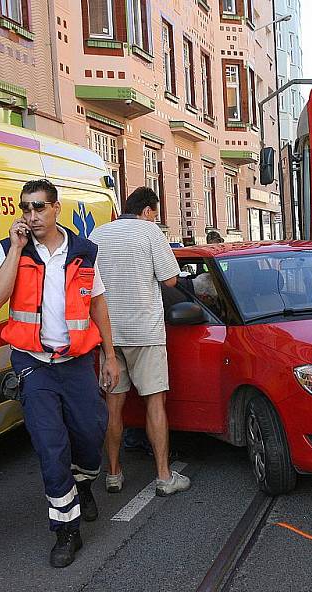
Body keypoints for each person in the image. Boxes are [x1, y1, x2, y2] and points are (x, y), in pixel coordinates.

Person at [0, 179, 120, 568]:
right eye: (25, 208)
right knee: (50, 446)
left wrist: (110, 356)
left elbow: (98, 304)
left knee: (90, 432)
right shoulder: (13, 251)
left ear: (56, 208)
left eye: (39, 207)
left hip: (77, 363)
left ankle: (83, 484)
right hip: (34, 365)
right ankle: (66, 530)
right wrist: (15, 249)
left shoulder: (84, 252)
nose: (31, 215)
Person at [90, 186, 191, 497]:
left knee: (112, 406)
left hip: (107, 335)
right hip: (144, 332)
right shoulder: (149, 232)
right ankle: (163, 476)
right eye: (155, 213)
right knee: (155, 403)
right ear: (147, 210)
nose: (155, 218)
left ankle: (113, 473)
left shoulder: (97, 234)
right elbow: (171, 279)